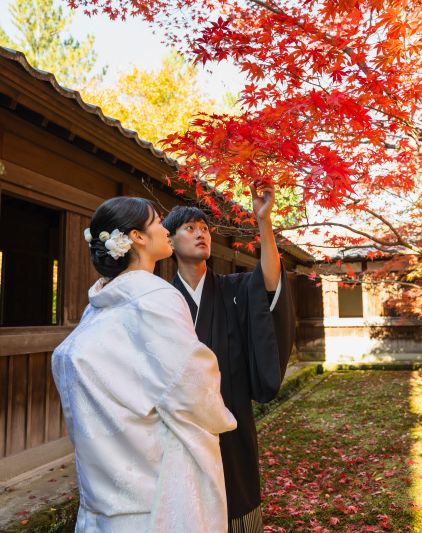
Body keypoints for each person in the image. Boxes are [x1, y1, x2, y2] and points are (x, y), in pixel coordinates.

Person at [51, 196, 237, 532]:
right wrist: (220, 416)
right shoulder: (158, 297)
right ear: (136, 237)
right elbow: (190, 381)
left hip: (109, 474)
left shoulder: (97, 306)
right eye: (158, 222)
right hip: (157, 477)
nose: (166, 230)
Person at [162, 183, 296, 532]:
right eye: (189, 228)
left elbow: (269, 282)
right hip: (182, 425)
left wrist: (263, 221)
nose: (201, 234)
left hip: (231, 417)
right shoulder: (162, 300)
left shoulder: (233, 288)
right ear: (169, 242)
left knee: (238, 502)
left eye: (205, 228)